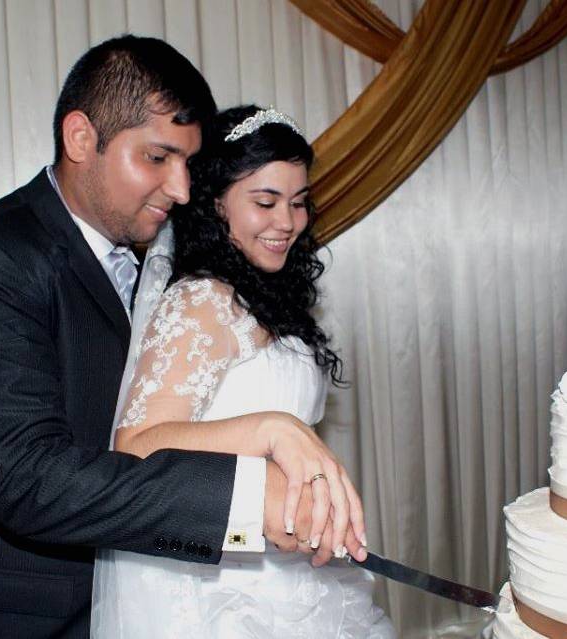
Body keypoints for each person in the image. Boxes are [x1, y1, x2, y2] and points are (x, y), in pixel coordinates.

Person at [0, 37, 364, 638]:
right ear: (81, 138)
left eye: (188, 163)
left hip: (125, 597)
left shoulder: (163, 258)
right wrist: (244, 495)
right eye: (158, 158)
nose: (181, 189)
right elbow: (27, 480)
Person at [92, 105, 394, 637]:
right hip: (217, 587)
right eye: (265, 202)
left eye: (299, 203)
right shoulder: (200, 301)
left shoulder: (267, 297)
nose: (287, 222)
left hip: (284, 562)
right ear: (215, 204)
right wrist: (271, 429)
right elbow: (136, 446)